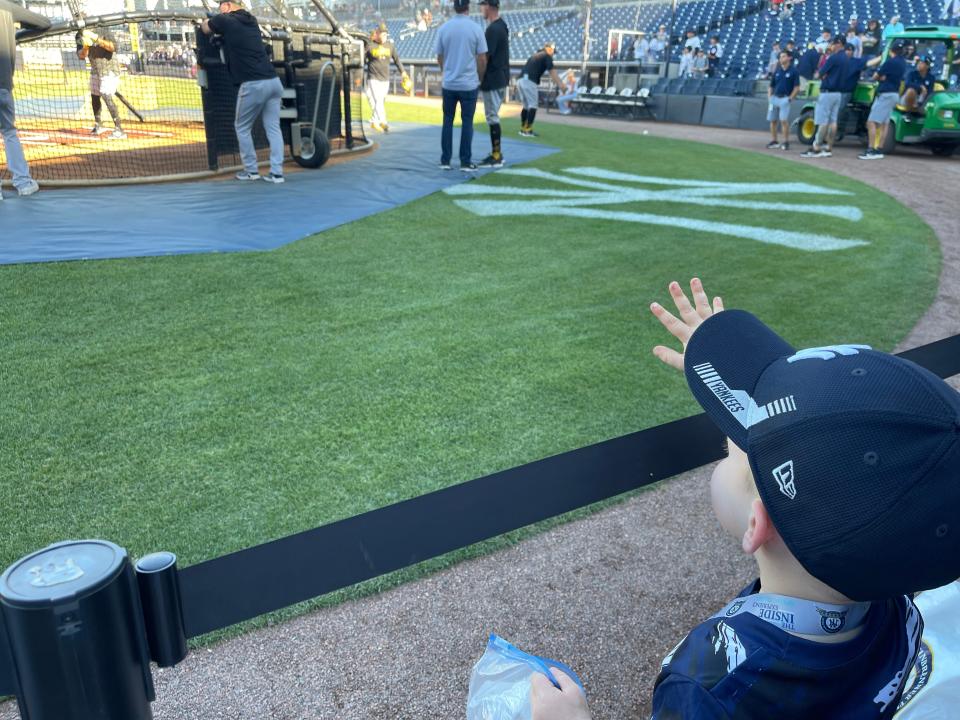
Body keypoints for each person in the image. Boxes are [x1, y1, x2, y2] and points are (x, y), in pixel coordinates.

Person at [534, 276, 960, 720]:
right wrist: (728, 373)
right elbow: (850, 461)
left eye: (733, 449)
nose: (728, 442)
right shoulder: (892, 594)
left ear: (759, 525)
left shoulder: (707, 685)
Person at [202, 0, 285, 183]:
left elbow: (206, 28)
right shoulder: (252, 20)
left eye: (220, 7)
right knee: (273, 127)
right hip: (273, 82)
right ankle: (277, 173)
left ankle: (251, 171)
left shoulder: (225, 20)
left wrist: (210, 20)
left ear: (227, 6)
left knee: (242, 127)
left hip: (253, 84)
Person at [0, 0, 45, 198]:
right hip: (3, 85)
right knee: (9, 133)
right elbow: (44, 24)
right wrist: (16, 34)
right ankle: (24, 183)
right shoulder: (6, 7)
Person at [435, 0, 486, 170]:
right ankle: (465, 161)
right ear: (468, 7)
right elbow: (482, 58)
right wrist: (480, 77)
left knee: (447, 121)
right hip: (468, 84)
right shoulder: (476, 28)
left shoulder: (444, 28)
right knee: (467, 122)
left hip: (449, 83)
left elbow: (439, 56)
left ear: (454, 7)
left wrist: (446, 72)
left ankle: (445, 161)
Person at [76, 25, 126, 139]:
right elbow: (81, 56)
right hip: (95, 70)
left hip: (109, 69)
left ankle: (119, 129)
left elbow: (113, 47)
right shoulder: (79, 35)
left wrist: (96, 39)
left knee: (106, 95)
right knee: (94, 95)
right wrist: (86, 46)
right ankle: (99, 124)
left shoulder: (103, 30)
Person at [860, 42, 907, 159]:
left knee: (871, 122)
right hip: (895, 94)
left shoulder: (890, 62)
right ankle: (879, 149)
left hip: (885, 94)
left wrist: (881, 77)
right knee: (885, 123)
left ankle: (871, 149)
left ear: (892, 51)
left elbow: (876, 76)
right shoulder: (903, 63)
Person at [801, 36, 846, 158]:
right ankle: (829, 147)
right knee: (833, 121)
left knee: (823, 121)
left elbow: (819, 74)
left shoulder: (834, 58)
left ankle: (816, 147)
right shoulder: (846, 58)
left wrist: (821, 75)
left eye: (834, 43)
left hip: (827, 92)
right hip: (838, 93)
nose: (832, 45)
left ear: (839, 44)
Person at [363, 24, 409, 133]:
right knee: (378, 99)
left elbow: (397, 60)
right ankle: (383, 122)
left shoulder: (390, 46)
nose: (383, 35)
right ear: (377, 34)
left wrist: (403, 72)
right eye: (381, 33)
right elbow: (362, 59)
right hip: (373, 77)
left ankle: (374, 121)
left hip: (385, 78)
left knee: (380, 100)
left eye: (384, 33)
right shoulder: (370, 45)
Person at [478, 0, 508, 168]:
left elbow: (484, 58)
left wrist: (479, 77)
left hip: (493, 79)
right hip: (501, 77)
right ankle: (496, 154)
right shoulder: (502, 25)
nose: (481, 9)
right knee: (493, 116)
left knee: (492, 117)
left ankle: (496, 156)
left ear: (489, 6)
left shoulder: (493, 29)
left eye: (482, 5)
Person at [517, 41, 563, 138]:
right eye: (553, 51)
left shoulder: (536, 54)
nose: (553, 54)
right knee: (533, 105)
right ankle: (528, 130)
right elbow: (552, 72)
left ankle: (523, 129)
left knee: (526, 106)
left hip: (521, 80)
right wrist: (561, 85)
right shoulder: (546, 55)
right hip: (529, 81)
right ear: (550, 48)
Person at [766, 50, 799, 150]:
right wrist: (769, 97)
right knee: (772, 121)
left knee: (783, 120)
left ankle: (785, 142)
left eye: (783, 56)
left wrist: (790, 99)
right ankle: (774, 140)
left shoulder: (794, 71)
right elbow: (771, 86)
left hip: (785, 98)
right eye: (780, 57)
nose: (781, 58)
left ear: (789, 58)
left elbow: (797, 87)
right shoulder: (777, 71)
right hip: (774, 98)